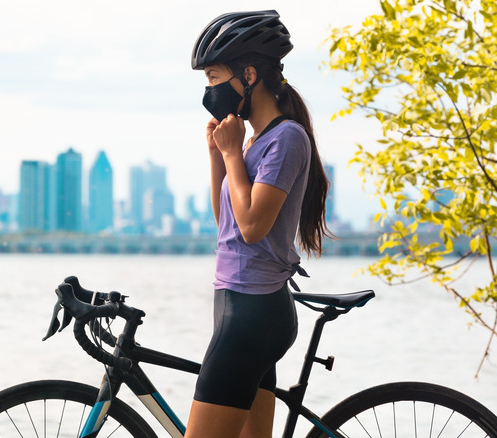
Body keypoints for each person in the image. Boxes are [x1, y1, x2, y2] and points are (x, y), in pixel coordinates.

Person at [185, 11, 331, 438]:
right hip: (238, 306)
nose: (209, 90)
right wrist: (218, 155)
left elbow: (252, 228)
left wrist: (232, 155)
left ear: (248, 75)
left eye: (214, 76)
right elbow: (226, 222)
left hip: (252, 313)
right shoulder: (255, 142)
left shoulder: (287, 139)